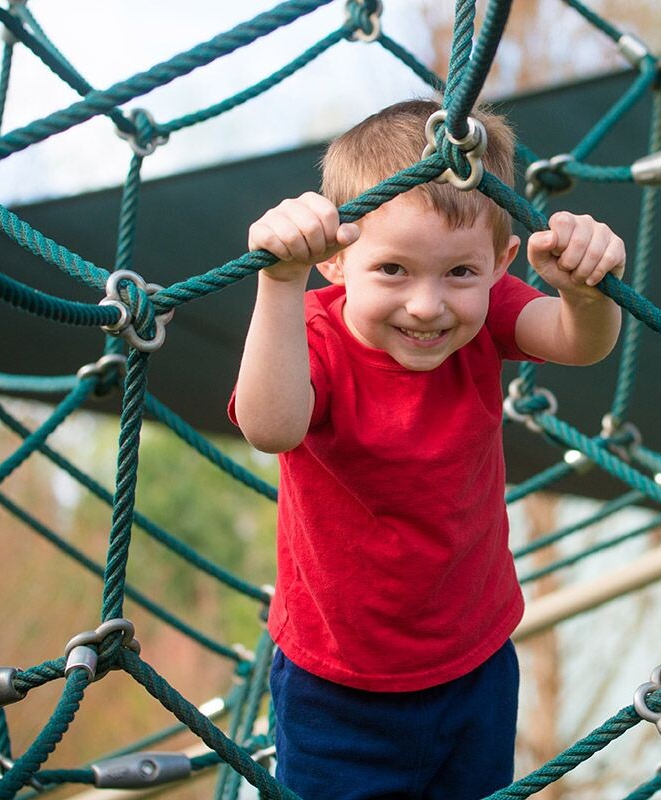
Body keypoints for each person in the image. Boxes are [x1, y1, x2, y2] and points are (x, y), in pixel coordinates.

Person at [230, 98, 624, 799]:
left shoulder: (486, 315)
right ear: (336, 260)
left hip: (475, 663)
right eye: (392, 271)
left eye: (459, 274)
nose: (427, 305)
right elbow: (272, 427)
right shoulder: (313, 337)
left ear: (500, 264)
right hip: (337, 683)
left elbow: (578, 343)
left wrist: (586, 292)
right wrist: (279, 280)